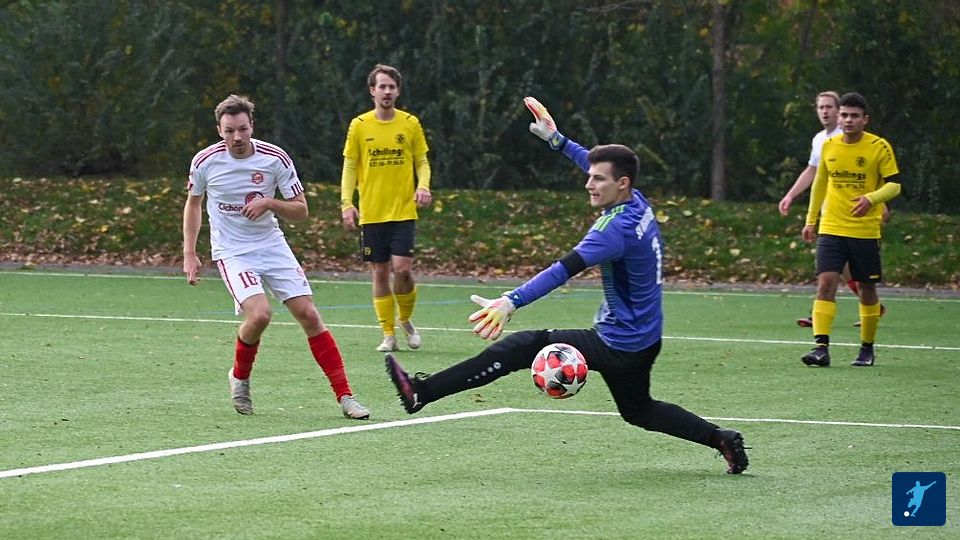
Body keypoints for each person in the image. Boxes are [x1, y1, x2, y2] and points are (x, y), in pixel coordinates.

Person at [385, 97, 749, 474]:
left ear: (621, 183)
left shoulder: (612, 231)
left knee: (521, 347)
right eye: (590, 175)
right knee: (639, 410)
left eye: (598, 180)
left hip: (618, 341)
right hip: (645, 337)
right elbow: (596, 163)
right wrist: (558, 141)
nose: (589, 184)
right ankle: (720, 438)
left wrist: (511, 301)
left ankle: (422, 392)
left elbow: (561, 270)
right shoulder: (637, 203)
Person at [183, 94, 370, 419]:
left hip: (272, 246)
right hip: (232, 252)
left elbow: (301, 211)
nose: (237, 137)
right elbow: (194, 204)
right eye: (229, 131)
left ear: (252, 126)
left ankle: (346, 396)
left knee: (309, 315)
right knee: (260, 316)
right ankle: (239, 377)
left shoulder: (275, 158)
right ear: (219, 130)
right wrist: (189, 252)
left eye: (242, 129)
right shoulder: (205, 161)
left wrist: (270, 203)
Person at [800, 92, 901, 367]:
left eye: (854, 116)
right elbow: (820, 184)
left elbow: (894, 184)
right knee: (825, 283)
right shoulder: (829, 146)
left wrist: (872, 199)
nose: (848, 120)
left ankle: (866, 348)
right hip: (831, 227)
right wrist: (810, 220)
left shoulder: (879, 147)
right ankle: (821, 348)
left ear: (865, 120)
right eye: (844, 115)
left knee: (867, 288)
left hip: (864, 231)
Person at [340, 64, 433, 352]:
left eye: (392, 86)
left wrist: (423, 186)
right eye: (382, 86)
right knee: (379, 272)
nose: (387, 91)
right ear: (372, 91)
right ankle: (388, 334)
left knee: (402, 270)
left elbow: (422, 161)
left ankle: (405, 320)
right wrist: (346, 203)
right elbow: (350, 166)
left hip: (403, 211)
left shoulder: (410, 123)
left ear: (398, 91)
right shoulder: (359, 125)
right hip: (372, 213)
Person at [779, 91, 887, 328]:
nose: (825, 111)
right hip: (831, 214)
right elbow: (813, 171)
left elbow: (870, 175)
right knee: (836, 267)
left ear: (838, 112)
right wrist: (791, 195)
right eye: (821, 107)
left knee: (839, 267)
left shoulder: (849, 136)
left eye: (829, 107)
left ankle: (862, 307)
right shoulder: (820, 140)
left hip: (854, 213)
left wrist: (879, 203)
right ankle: (860, 307)